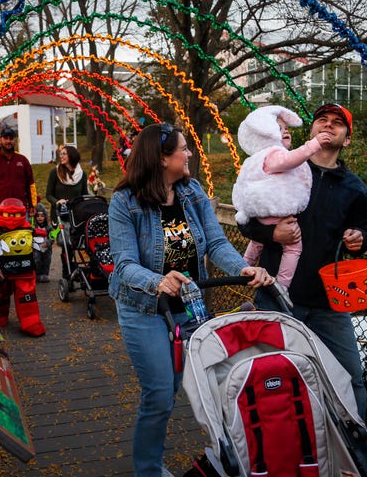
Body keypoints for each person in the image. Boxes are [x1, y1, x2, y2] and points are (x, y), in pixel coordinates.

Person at [108, 123, 274, 477]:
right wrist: (158, 281)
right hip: (145, 309)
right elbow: (123, 265)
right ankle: (148, 470)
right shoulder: (125, 202)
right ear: (161, 158)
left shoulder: (191, 191)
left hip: (190, 306)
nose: (189, 154)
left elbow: (215, 243)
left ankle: (227, 459)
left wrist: (243, 269)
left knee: (204, 386)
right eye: (183, 149)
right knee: (160, 394)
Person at [238, 103, 367, 477]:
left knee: (350, 379)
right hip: (275, 295)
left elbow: (364, 230)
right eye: (323, 120)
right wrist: (272, 234)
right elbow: (247, 218)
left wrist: (358, 239)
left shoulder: (354, 189)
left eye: (338, 124)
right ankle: (275, 460)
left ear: (346, 139)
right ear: (312, 130)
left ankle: (354, 458)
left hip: (329, 303)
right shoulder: (285, 166)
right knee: (272, 379)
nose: (329, 126)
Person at [231, 105, 332, 305]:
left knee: (257, 242)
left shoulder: (256, 159)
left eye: (286, 127)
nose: (285, 131)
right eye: (278, 127)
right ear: (266, 132)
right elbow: (290, 159)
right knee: (293, 248)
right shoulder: (275, 154)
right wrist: (313, 145)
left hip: (262, 213)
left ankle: (244, 265)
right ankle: (283, 285)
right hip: (279, 214)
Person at [0, 198, 46, 337]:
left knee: (0, 296)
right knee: (27, 298)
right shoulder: (27, 226)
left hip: (3, 271)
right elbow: (39, 232)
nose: (12, 219)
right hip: (24, 270)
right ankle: (31, 324)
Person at [0, 127, 37, 227]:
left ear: (15, 140)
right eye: (6, 138)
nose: (8, 141)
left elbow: (30, 185)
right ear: (0, 140)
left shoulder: (23, 160)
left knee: (22, 239)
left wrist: (32, 205)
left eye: (11, 138)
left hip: (20, 209)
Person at [45, 145, 89, 278]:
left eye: (64, 154)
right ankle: (67, 271)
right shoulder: (55, 172)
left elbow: (84, 194)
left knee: (76, 243)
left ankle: (76, 268)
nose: (61, 156)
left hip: (75, 214)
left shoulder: (82, 174)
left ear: (72, 155)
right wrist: (57, 201)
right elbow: (49, 194)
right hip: (60, 214)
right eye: (61, 154)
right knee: (66, 243)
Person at [32, 203, 53, 282]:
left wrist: (48, 243)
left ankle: (45, 274)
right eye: (38, 216)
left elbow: (52, 237)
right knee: (37, 260)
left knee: (46, 260)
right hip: (36, 247)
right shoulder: (34, 227)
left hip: (46, 248)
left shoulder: (48, 227)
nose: (40, 218)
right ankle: (37, 274)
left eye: (42, 216)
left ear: (45, 217)